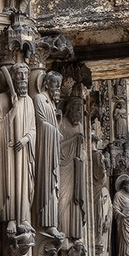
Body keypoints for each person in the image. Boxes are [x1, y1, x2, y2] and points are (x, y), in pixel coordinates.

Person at [0, 62, 35, 235]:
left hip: (24, 150)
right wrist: (12, 109)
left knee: (25, 184)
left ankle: (23, 217)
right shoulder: (3, 99)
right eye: (19, 76)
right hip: (9, 149)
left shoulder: (30, 102)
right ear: (12, 78)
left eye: (25, 76)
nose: (23, 80)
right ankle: (11, 217)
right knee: (10, 182)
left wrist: (26, 138)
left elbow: (33, 128)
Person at [33, 70, 64, 239]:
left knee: (54, 187)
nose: (57, 87)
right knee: (46, 184)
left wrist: (57, 123)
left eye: (59, 84)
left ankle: (51, 223)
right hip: (44, 150)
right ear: (46, 83)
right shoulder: (39, 99)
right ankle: (44, 224)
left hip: (52, 149)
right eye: (55, 83)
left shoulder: (51, 103)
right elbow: (40, 123)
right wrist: (54, 131)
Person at [59, 95, 86, 242]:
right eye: (76, 108)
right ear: (69, 108)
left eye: (80, 110)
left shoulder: (80, 126)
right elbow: (56, 147)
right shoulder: (61, 124)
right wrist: (73, 141)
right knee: (62, 200)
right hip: (63, 167)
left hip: (76, 170)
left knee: (73, 203)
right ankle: (59, 232)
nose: (78, 112)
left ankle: (72, 235)